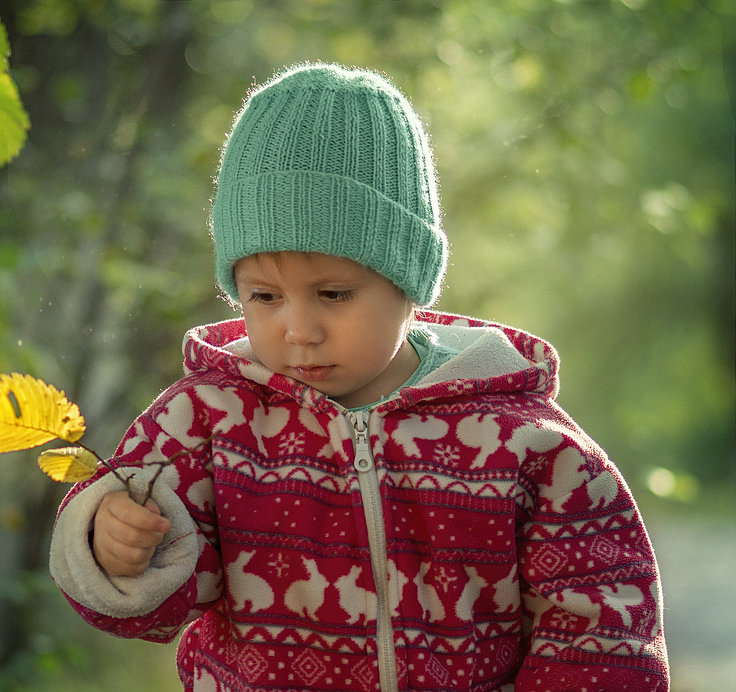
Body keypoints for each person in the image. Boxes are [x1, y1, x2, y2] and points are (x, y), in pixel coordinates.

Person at [48, 63, 669, 691]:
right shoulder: (206, 422)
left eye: (334, 294)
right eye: (264, 296)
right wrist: (112, 545)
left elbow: (599, 623)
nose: (298, 329)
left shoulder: (520, 441)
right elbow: (154, 607)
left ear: (408, 281)